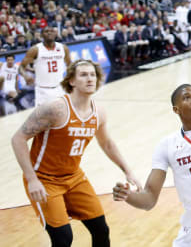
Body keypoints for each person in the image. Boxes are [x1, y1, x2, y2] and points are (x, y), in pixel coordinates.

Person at [11, 59, 140, 247]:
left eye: (93, 75)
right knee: (63, 238)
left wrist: (128, 171)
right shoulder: (55, 109)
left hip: (74, 178)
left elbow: (107, 143)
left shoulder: (99, 112)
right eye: (83, 75)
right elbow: (18, 139)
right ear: (71, 81)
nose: (90, 79)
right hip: (45, 179)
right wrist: (32, 179)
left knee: (101, 230)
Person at [112, 84, 191, 247]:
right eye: (187, 98)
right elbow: (149, 199)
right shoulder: (167, 145)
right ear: (176, 109)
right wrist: (127, 196)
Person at [18, 27, 71, 106]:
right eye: (46, 31)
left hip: (60, 88)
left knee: (62, 116)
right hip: (42, 90)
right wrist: (25, 76)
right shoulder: (35, 50)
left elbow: (70, 65)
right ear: (42, 35)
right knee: (43, 117)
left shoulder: (63, 48)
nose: (49, 33)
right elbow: (21, 67)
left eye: (52, 31)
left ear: (55, 34)